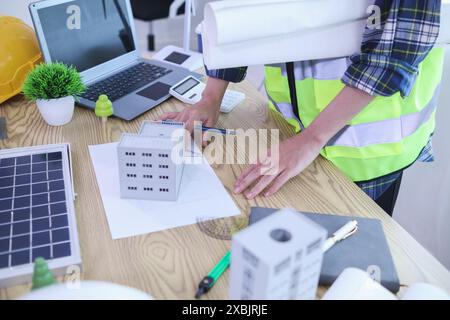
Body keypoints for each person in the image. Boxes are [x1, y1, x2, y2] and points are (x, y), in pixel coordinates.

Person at [160, 0, 443, 216]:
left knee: (344, 273)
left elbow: (393, 54)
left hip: (367, 156)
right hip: (291, 136)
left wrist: (312, 139)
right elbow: (240, 12)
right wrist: (212, 96)